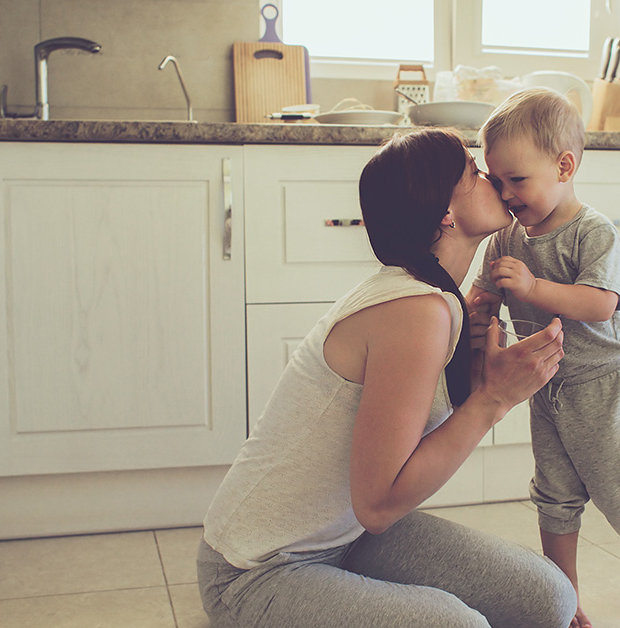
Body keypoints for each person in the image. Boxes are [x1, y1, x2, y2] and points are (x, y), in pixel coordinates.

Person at [196, 127, 576, 628]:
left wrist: (480, 378)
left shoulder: (436, 298)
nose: (492, 178)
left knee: (549, 598)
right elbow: (378, 504)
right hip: (255, 570)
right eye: (473, 171)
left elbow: (382, 497)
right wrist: (492, 400)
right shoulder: (413, 310)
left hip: (349, 538)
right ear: (445, 212)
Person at [468, 88, 620, 628]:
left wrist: (533, 287)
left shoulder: (592, 232)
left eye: (518, 180)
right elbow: (486, 293)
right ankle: (564, 595)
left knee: (618, 486)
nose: (507, 194)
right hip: (548, 384)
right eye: (497, 182)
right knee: (554, 495)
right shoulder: (505, 238)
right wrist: (480, 304)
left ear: (564, 166)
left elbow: (601, 304)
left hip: (604, 383)